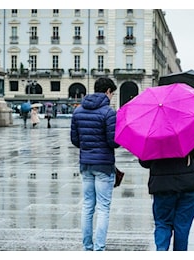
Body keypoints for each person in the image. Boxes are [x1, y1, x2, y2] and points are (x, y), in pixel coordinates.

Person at [139, 139, 194, 251]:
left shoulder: (153, 131)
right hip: (189, 184)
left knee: (163, 223)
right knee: (182, 227)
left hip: (162, 185)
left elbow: (145, 162)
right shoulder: (191, 125)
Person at [70, 77, 120, 251]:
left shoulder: (78, 111)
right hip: (104, 165)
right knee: (103, 208)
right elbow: (113, 142)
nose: (112, 97)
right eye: (112, 93)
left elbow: (75, 140)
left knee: (87, 206)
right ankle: (99, 249)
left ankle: (87, 247)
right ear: (107, 91)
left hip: (85, 164)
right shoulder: (108, 112)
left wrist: (88, 146)